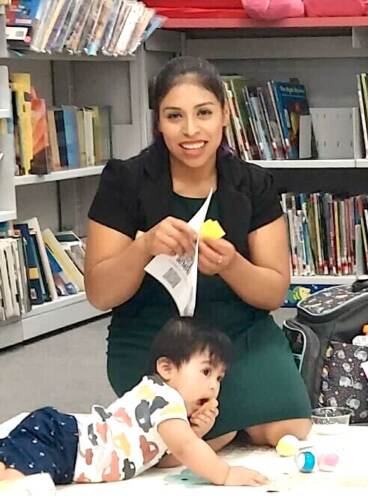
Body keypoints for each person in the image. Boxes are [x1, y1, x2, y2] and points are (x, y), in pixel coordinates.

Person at [84, 56, 311, 451]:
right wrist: (143, 248)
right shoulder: (125, 181)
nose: (191, 130)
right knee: (208, 437)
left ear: (224, 115)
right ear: (158, 121)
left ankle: (221, 416)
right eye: (174, 116)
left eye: (203, 113)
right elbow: (100, 294)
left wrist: (233, 265)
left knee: (289, 429)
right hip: (156, 339)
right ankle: (216, 423)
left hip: (238, 332)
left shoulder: (253, 183)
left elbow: (273, 292)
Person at [0, 318, 269, 489]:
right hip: (67, 443)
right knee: (19, 484)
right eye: (206, 372)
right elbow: (187, 448)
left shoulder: (155, 397)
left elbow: (161, 459)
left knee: (11, 465)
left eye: (219, 378)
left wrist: (196, 431)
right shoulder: (166, 400)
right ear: (167, 368)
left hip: (62, 437)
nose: (213, 385)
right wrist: (224, 474)